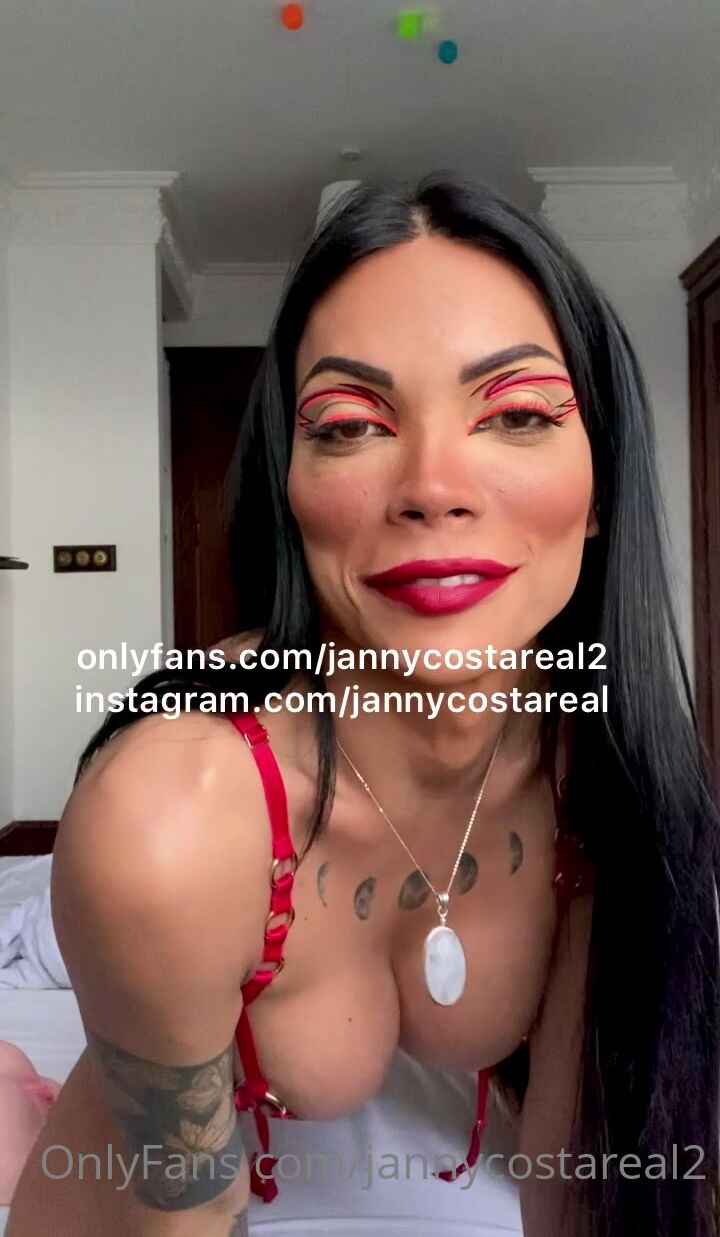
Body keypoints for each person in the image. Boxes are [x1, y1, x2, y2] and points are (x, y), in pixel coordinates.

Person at [7, 174, 720, 1237]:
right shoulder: (167, 826)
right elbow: (180, 1206)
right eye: (349, 425)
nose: (432, 487)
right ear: (289, 487)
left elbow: (590, 1180)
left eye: (518, 414)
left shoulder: (608, 761)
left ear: (602, 484)